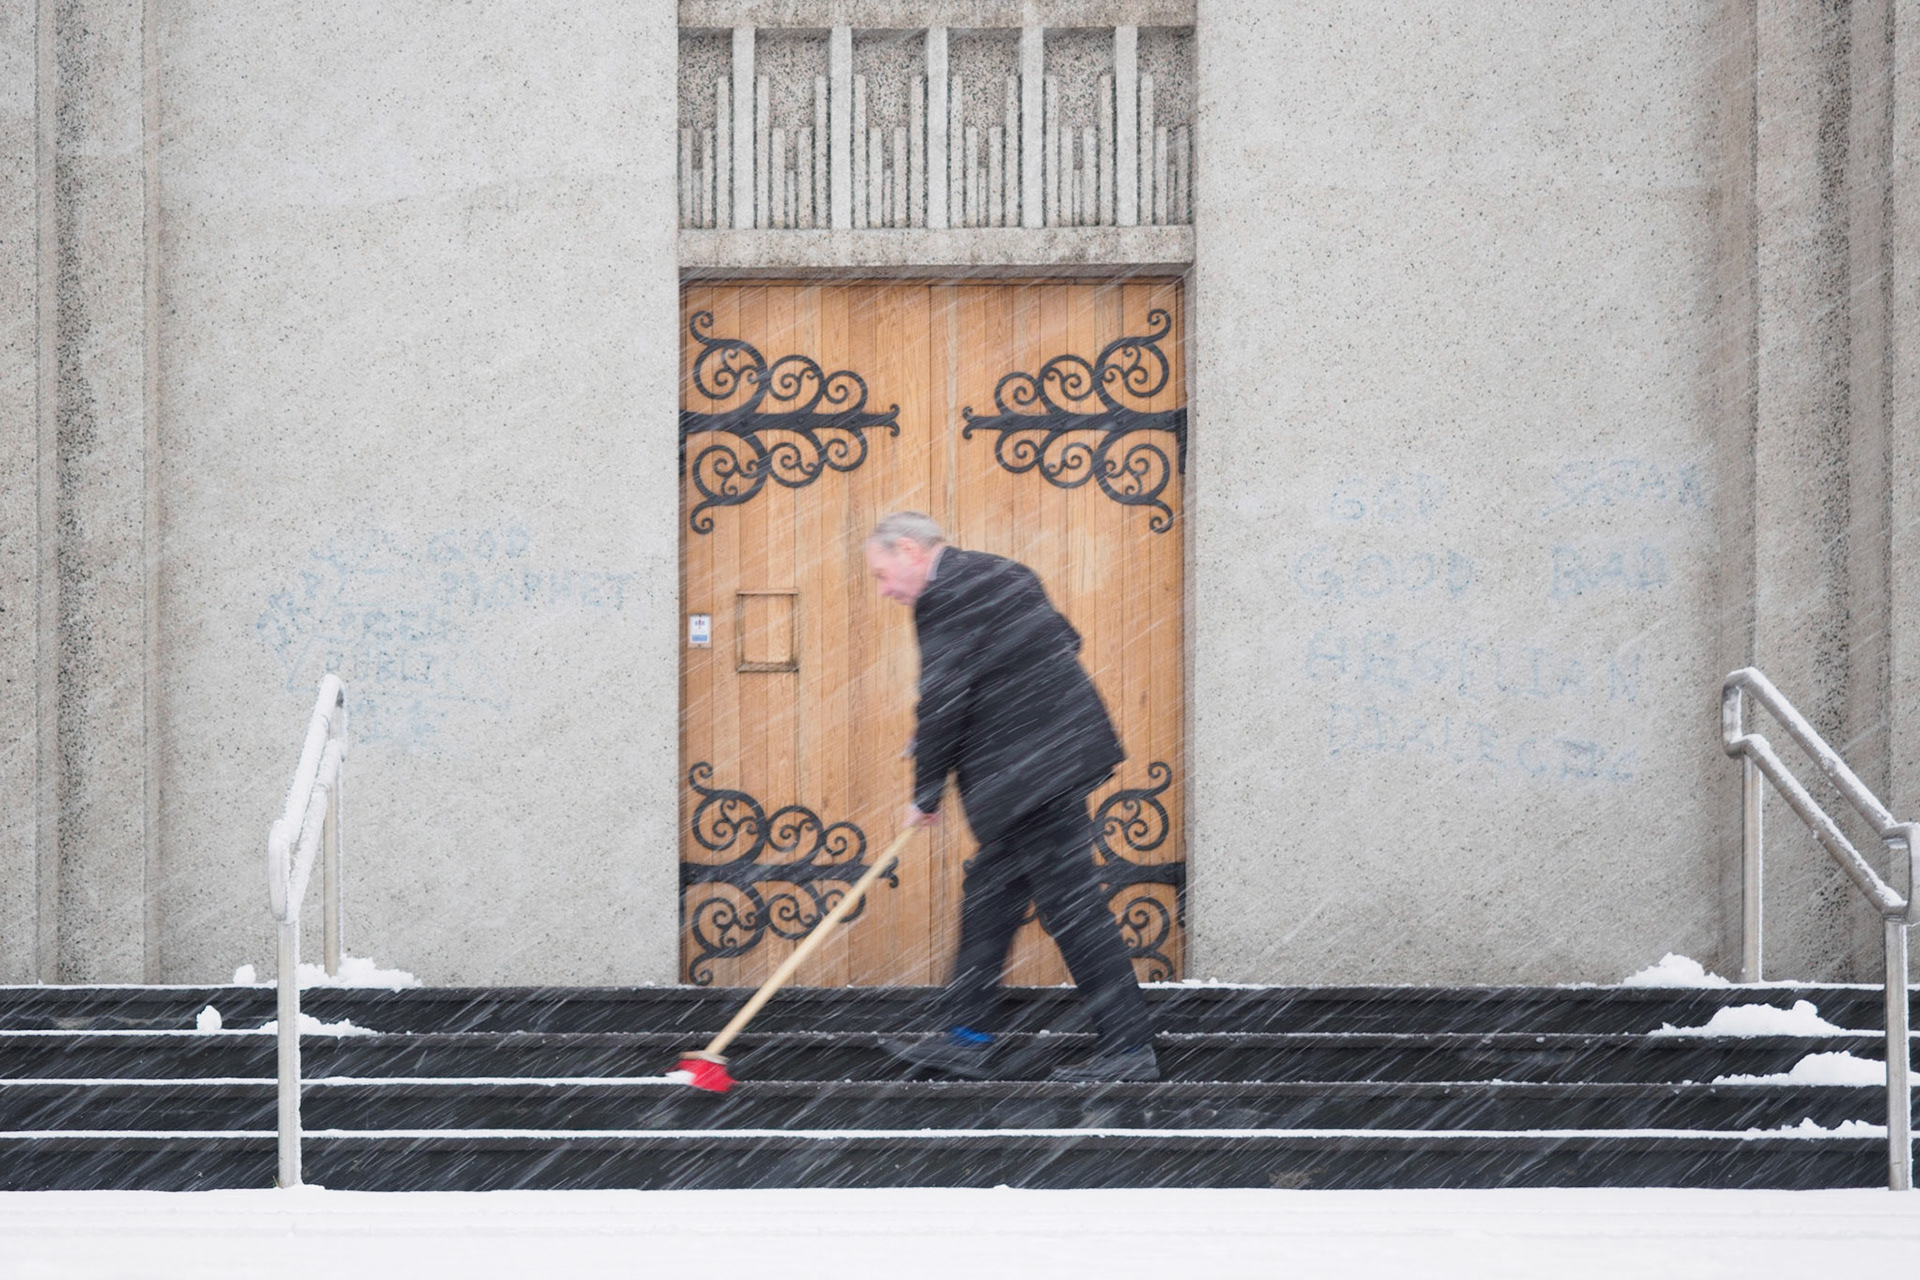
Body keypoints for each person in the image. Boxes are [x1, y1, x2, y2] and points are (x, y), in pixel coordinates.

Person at [863, 511, 1159, 1083]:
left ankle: (1127, 1048)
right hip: (1051, 762)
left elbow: (945, 695)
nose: (884, 590)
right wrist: (1000, 698)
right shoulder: (1001, 571)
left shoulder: (943, 596)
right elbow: (1062, 640)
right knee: (991, 895)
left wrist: (926, 792)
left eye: (882, 573)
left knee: (1071, 907)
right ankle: (966, 1035)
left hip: (1032, 776)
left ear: (909, 549)